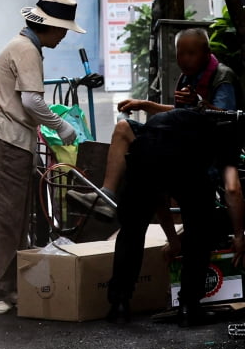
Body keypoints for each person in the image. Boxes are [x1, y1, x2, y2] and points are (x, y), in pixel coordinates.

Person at [0, 0, 84, 315]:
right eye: (62, 30)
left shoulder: (26, 48)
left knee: (17, 218)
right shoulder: (25, 49)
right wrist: (62, 128)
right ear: (46, 26)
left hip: (10, 141)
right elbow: (32, 102)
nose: (63, 37)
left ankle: (6, 287)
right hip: (1, 139)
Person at [69, 28, 240, 220]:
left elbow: (225, 117)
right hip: (180, 143)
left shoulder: (222, 77)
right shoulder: (187, 77)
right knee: (124, 127)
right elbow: (179, 113)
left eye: (191, 53)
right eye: (180, 54)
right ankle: (107, 195)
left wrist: (198, 103)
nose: (184, 59)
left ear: (207, 53)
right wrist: (144, 105)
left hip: (208, 151)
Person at [105, 105, 245, 324]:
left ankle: (119, 305)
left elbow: (158, 195)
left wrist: (173, 239)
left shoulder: (191, 118)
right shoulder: (230, 133)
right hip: (186, 158)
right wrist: (239, 235)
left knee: (132, 228)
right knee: (199, 229)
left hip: (145, 149)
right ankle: (189, 307)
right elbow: (233, 189)